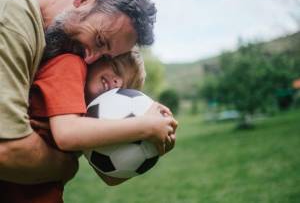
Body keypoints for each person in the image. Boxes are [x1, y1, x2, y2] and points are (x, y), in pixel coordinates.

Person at [0, 0, 169, 185]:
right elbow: (7, 151)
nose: (90, 58)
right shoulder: (10, 22)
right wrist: (67, 167)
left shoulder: (58, 52)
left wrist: (153, 141)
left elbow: (109, 176)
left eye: (107, 58)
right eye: (99, 40)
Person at [0, 49, 177, 203]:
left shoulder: (92, 115)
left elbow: (110, 177)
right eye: (116, 69)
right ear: (98, 58)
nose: (117, 83)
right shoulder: (70, 65)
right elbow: (67, 135)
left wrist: (155, 145)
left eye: (123, 86)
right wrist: (146, 126)